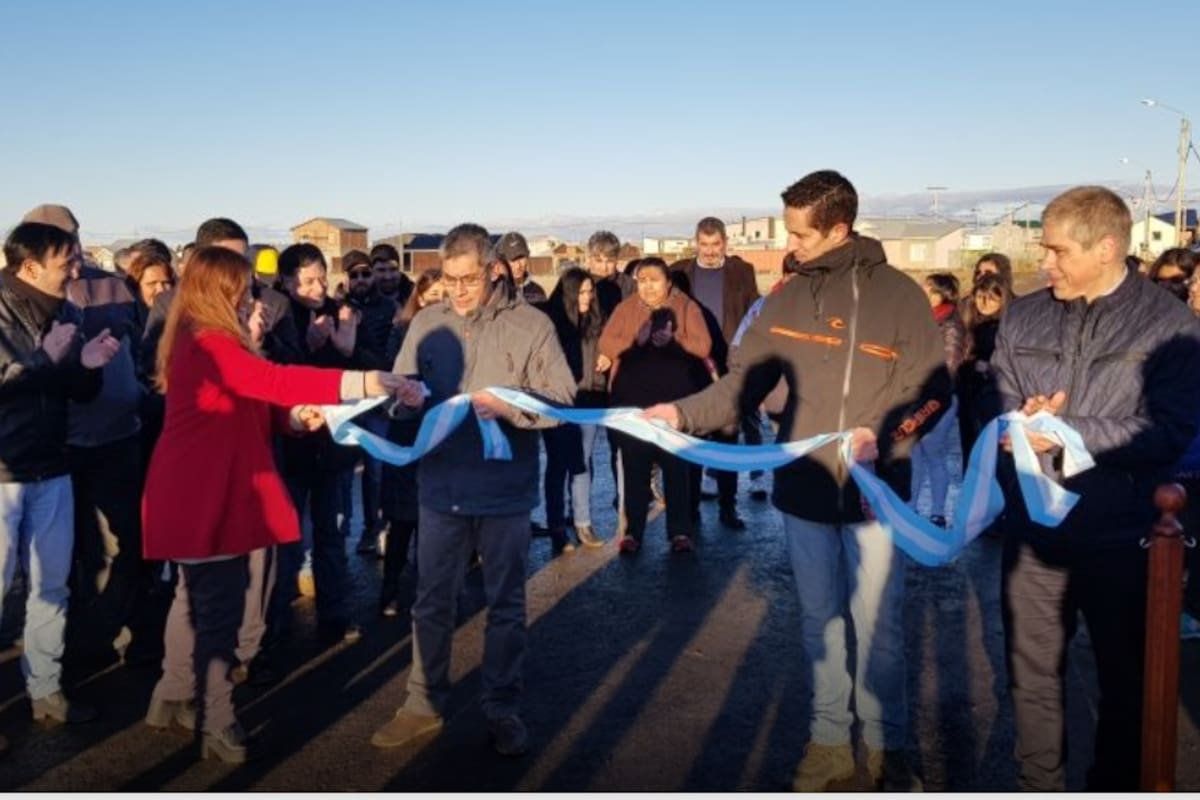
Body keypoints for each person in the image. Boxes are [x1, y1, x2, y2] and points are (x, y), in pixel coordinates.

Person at [645, 170, 947, 791]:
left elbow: (932, 391)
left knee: (880, 628)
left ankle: (888, 745)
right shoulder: (784, 298)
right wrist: (680, 414)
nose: (792, 243)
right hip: (803, 493)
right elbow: (740, 385)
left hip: (875, 495)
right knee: (820, 623)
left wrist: (884, 439)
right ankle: (830, 740)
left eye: (801, 233)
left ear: (839, 229)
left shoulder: (899, 297)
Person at [141, 246, 400, 762]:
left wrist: (293, 421)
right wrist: (363, 381)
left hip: (211, 490)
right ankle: (216, 720)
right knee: (217, 612)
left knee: (195, 602)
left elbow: (256, 404)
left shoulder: (215, 342)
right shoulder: (207, 342)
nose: (249, 299)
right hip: (204, 497)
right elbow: (274, 382)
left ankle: (171, 696)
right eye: (241, 290)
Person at [987, 186, 1200, 790]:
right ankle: (1038, 782)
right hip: (1033, 531)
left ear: (1107, 248)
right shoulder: (1025, 314)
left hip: (1121, 532)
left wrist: (1066, 431)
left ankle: (1113, 784)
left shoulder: (1169, 328)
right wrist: (1013, 426)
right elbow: (997, 395)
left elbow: (1169, 431)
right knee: (1030, 672)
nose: (1045, 264)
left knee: (1123, 677)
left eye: (1057, 252)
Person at [370, 224, 575, 757]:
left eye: (468, 279)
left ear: (492, 270)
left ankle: (502, 705)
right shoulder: (427, 325)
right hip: (439, 489)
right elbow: (395, 393)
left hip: (506, 493)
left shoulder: (531, 325)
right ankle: (422, 703)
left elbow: (563, 399)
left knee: (505, 605)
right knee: (431, 602)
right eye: (449, 279)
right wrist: (405, 401)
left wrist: (510, 408)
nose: (458, 290)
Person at [0, 221, 122, 726]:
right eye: (66, 261)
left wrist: (88, 366)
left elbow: (73, 392)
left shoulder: (69, 310)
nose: (76, 269)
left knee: (52, 583)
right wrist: (42, 362)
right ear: (29, 266)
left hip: (53, 463)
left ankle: (46, 689)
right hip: (3, 470)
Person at [269, 243, 376, 647]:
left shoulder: (343, 313)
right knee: (285, 539)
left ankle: (334, 616)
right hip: (290, 446)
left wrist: (348, 349)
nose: (319, 287)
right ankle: (271, 626)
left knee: (333, 532)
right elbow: (273, 375)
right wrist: (306, 348)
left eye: (322, 278)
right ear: (285, 280)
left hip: (333, 444)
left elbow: (373, 365)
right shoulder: (278, 316)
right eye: (308, 280)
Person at [608, 275, 711, 555]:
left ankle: (679, 531)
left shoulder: (683, 337)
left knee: (678, 476)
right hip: (637, 418)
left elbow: (701, 355)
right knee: (635, 477)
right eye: (643, 280)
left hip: (672, 419)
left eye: (666, 328)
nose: (657, 333)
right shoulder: (630, 336)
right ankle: (633, 533)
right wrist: (635, 340)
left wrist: (674, 341)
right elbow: (610, 358)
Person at [670, 217, 760, 523]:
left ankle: (727, 506)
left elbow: (754, 316)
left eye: (716, 244)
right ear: (696, 242)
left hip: (728, 367)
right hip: (691, 367)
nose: (709, 251)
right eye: (704, 245)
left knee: (727, 438)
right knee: (692, 436)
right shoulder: (679, 272)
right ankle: (691, 507)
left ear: (725, 243)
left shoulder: (742, 271)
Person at [377, 269, 443, 618]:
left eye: (442, 296)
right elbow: (390, 379)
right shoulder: (402, 330)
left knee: (435, 524)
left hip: (441, 434)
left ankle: (429, 593)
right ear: (418, 297)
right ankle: (389, 589)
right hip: (407, 432)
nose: (437, 303)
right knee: (402, 521)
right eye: (431, 296)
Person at [538, 267, 608, 554]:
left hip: (589, 400)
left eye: (590, 291)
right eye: (581, 292)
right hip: (557, 403)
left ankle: (583, 521)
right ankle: (556, 527)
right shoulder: (549, 323)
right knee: (558, 463)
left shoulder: (595, 320)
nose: (587, 297)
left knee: (583, 461)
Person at [342, 248, 396, 555]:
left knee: (377, 468)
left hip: (376, 398)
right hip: (346, 398)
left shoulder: (389, 308)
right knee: (345, 472)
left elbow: (387, 354)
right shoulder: (339, 308)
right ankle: (352, 529)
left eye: (366, 273)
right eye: (355, 275)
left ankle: (377, 527)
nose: (361, 279)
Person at [909, 274, 966, 527]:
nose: (923, 292)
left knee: (933, 452)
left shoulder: (950, 324)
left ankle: (938, 511)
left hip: (938, 399)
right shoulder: (922, 319)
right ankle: (911, 507)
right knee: (914, 453)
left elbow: (949, 365)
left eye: (928, 289)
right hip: (916, 396)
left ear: (942, 294)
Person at [957, 273, 1008, 471]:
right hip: (968, 393)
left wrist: (988, 365)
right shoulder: (967, 321)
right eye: (980, 297)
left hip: (993, 396)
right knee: (970, 449)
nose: (984, 303)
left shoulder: (1006, 325)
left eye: (992, 298)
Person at [587, 230, 634, 317]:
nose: (604, 267)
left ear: (617, 260)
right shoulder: (576, 283)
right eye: (599, 261)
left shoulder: (629, 285)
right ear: (589, 259)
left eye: (609, 261)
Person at [496, 232, 548, 305]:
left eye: (521, 258)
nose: (518, 266)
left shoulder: (537, 293)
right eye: (512, 260)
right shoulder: (493, 293)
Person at [369, 243, 414, 309]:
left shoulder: (416, 295)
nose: (388, 277)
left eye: (393, 269)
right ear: (371, 271)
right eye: (381, 270)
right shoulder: (362, 299)